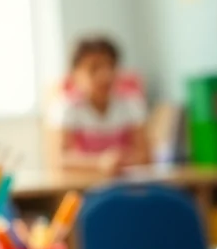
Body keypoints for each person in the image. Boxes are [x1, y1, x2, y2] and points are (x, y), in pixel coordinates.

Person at [46, 35, 151, 175]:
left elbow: (146, 155)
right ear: (75, 74)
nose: (105, 75)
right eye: (93, 68)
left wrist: (120, 162)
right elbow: (60, 159)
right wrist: (99, 163)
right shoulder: (67, 107)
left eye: (110, 66)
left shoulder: (132, 104)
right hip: (83, 187)